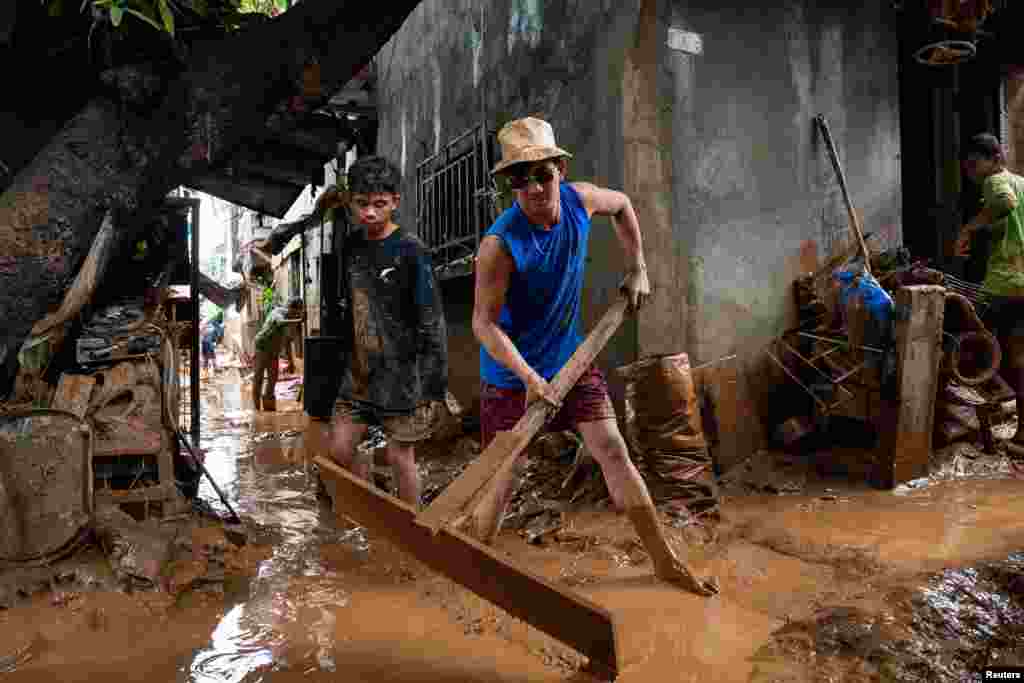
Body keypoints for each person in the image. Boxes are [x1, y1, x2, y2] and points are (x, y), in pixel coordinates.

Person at [468, 116, 718, 596]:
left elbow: (623, 205)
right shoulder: (500, 246)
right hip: (509, 375)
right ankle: (476, 565)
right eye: (522, 178)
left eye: (543, 173)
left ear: (560, 170)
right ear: (510, 184)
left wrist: (638, 267)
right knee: (504, 473)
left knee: (612, 450)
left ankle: (664, 561)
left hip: (571, 362)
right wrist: (526, 377)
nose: (535, 187)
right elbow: (483, 324)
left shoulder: (581, 201)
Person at [328, 156, 448, 507]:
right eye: (362, 204)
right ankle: (372, 503)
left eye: (379, 204)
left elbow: (432, 320)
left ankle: (412, 534)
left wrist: (434, 386)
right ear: (351, 202)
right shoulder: (350, 245)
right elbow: (346, 306)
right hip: (359, 374)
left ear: (395, 201)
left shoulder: (411, 251)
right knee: (338, 450)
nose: (369, 213)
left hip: (402, 377)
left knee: (400, 458)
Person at [955, 133, 1024, 456]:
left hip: (1005, 283)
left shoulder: (995, 182)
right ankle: (1018, 430)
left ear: (996, 159)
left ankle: (986, 401)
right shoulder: (1021, 182)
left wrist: (969, 228)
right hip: (1019, 281)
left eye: (973, 163)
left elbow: (1005, 202)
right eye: (966, 165)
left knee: (963, 342)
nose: (970, 171)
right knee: (1014, 354)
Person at [252, 297, 303, 411]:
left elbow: (287, 342)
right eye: (294, 313)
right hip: (262, 347)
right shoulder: (277, 312)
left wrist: (291, 362)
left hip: (274, 352)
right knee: (258, 377)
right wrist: (298, 321)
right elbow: (279, 322)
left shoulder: (292, 321)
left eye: (297, 314)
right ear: (289, 308)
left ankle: (268, 411)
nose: (295, 315)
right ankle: (256, 410)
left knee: (272, 379)